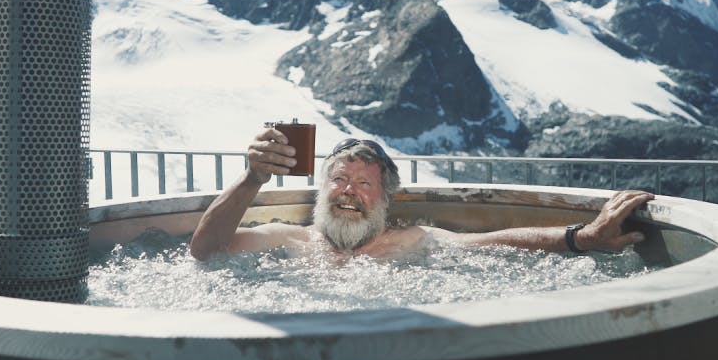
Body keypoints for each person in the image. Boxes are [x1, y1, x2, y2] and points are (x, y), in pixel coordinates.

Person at [189, 127, 652, 261]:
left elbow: (504, 242)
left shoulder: (412, 240)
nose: (350, 193)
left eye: (365, 184)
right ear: (322, 190)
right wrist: (252, 179)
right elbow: (204, 249)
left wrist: (582, 237)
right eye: (340, 180)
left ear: (385, 199)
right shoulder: (285, 238)